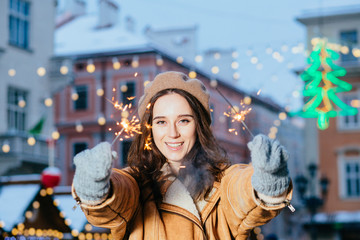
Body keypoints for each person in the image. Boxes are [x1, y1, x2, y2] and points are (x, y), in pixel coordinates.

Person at [72, 71, 293, 240]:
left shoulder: (224, 181)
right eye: (161, 122)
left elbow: (242, 189)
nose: (173, 133)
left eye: (184, 120)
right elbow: (116, 197)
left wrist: (267, 182)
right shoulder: (135, 183)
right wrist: (95, 188)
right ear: (149, 128)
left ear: (200, 125)